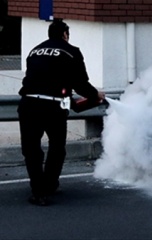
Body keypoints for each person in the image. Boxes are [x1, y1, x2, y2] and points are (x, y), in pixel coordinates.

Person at [18, 19, 105, 206]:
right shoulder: (72, 52)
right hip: (53, 107)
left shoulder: (34, 51)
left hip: (28, 104)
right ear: (65, 34)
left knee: (31, 150)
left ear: (50, 34)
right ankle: (49, 184)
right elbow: (81, 84)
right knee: (57, 148)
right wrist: (96, 94)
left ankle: (38, 191)